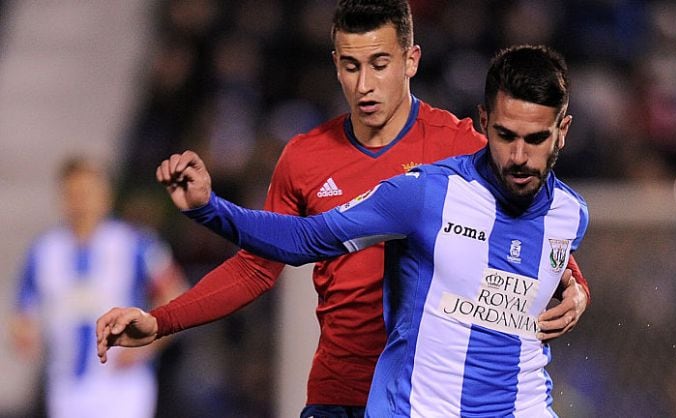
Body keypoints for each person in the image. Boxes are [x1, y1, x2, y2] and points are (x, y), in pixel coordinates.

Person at [97, 1, 589, 416]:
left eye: (380, 63)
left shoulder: (461, 145)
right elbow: (255, 269)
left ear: (411, 60)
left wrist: (576, 284)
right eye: (351, 66)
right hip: (339, 392)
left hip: (429, 396)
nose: (364, 84)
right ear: (335, 64)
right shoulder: (304, 157)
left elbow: (525, 225)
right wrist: (162, 320)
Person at [10, 157, 187, 418]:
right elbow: (23, 310)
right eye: (74, 194)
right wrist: (25, 333)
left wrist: (146, 344)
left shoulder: (136, 243)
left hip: (123, 383)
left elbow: (177, 295)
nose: (81, 202)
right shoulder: (43, 251)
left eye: (88, 193)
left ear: (105, 196)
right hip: (66, 383)